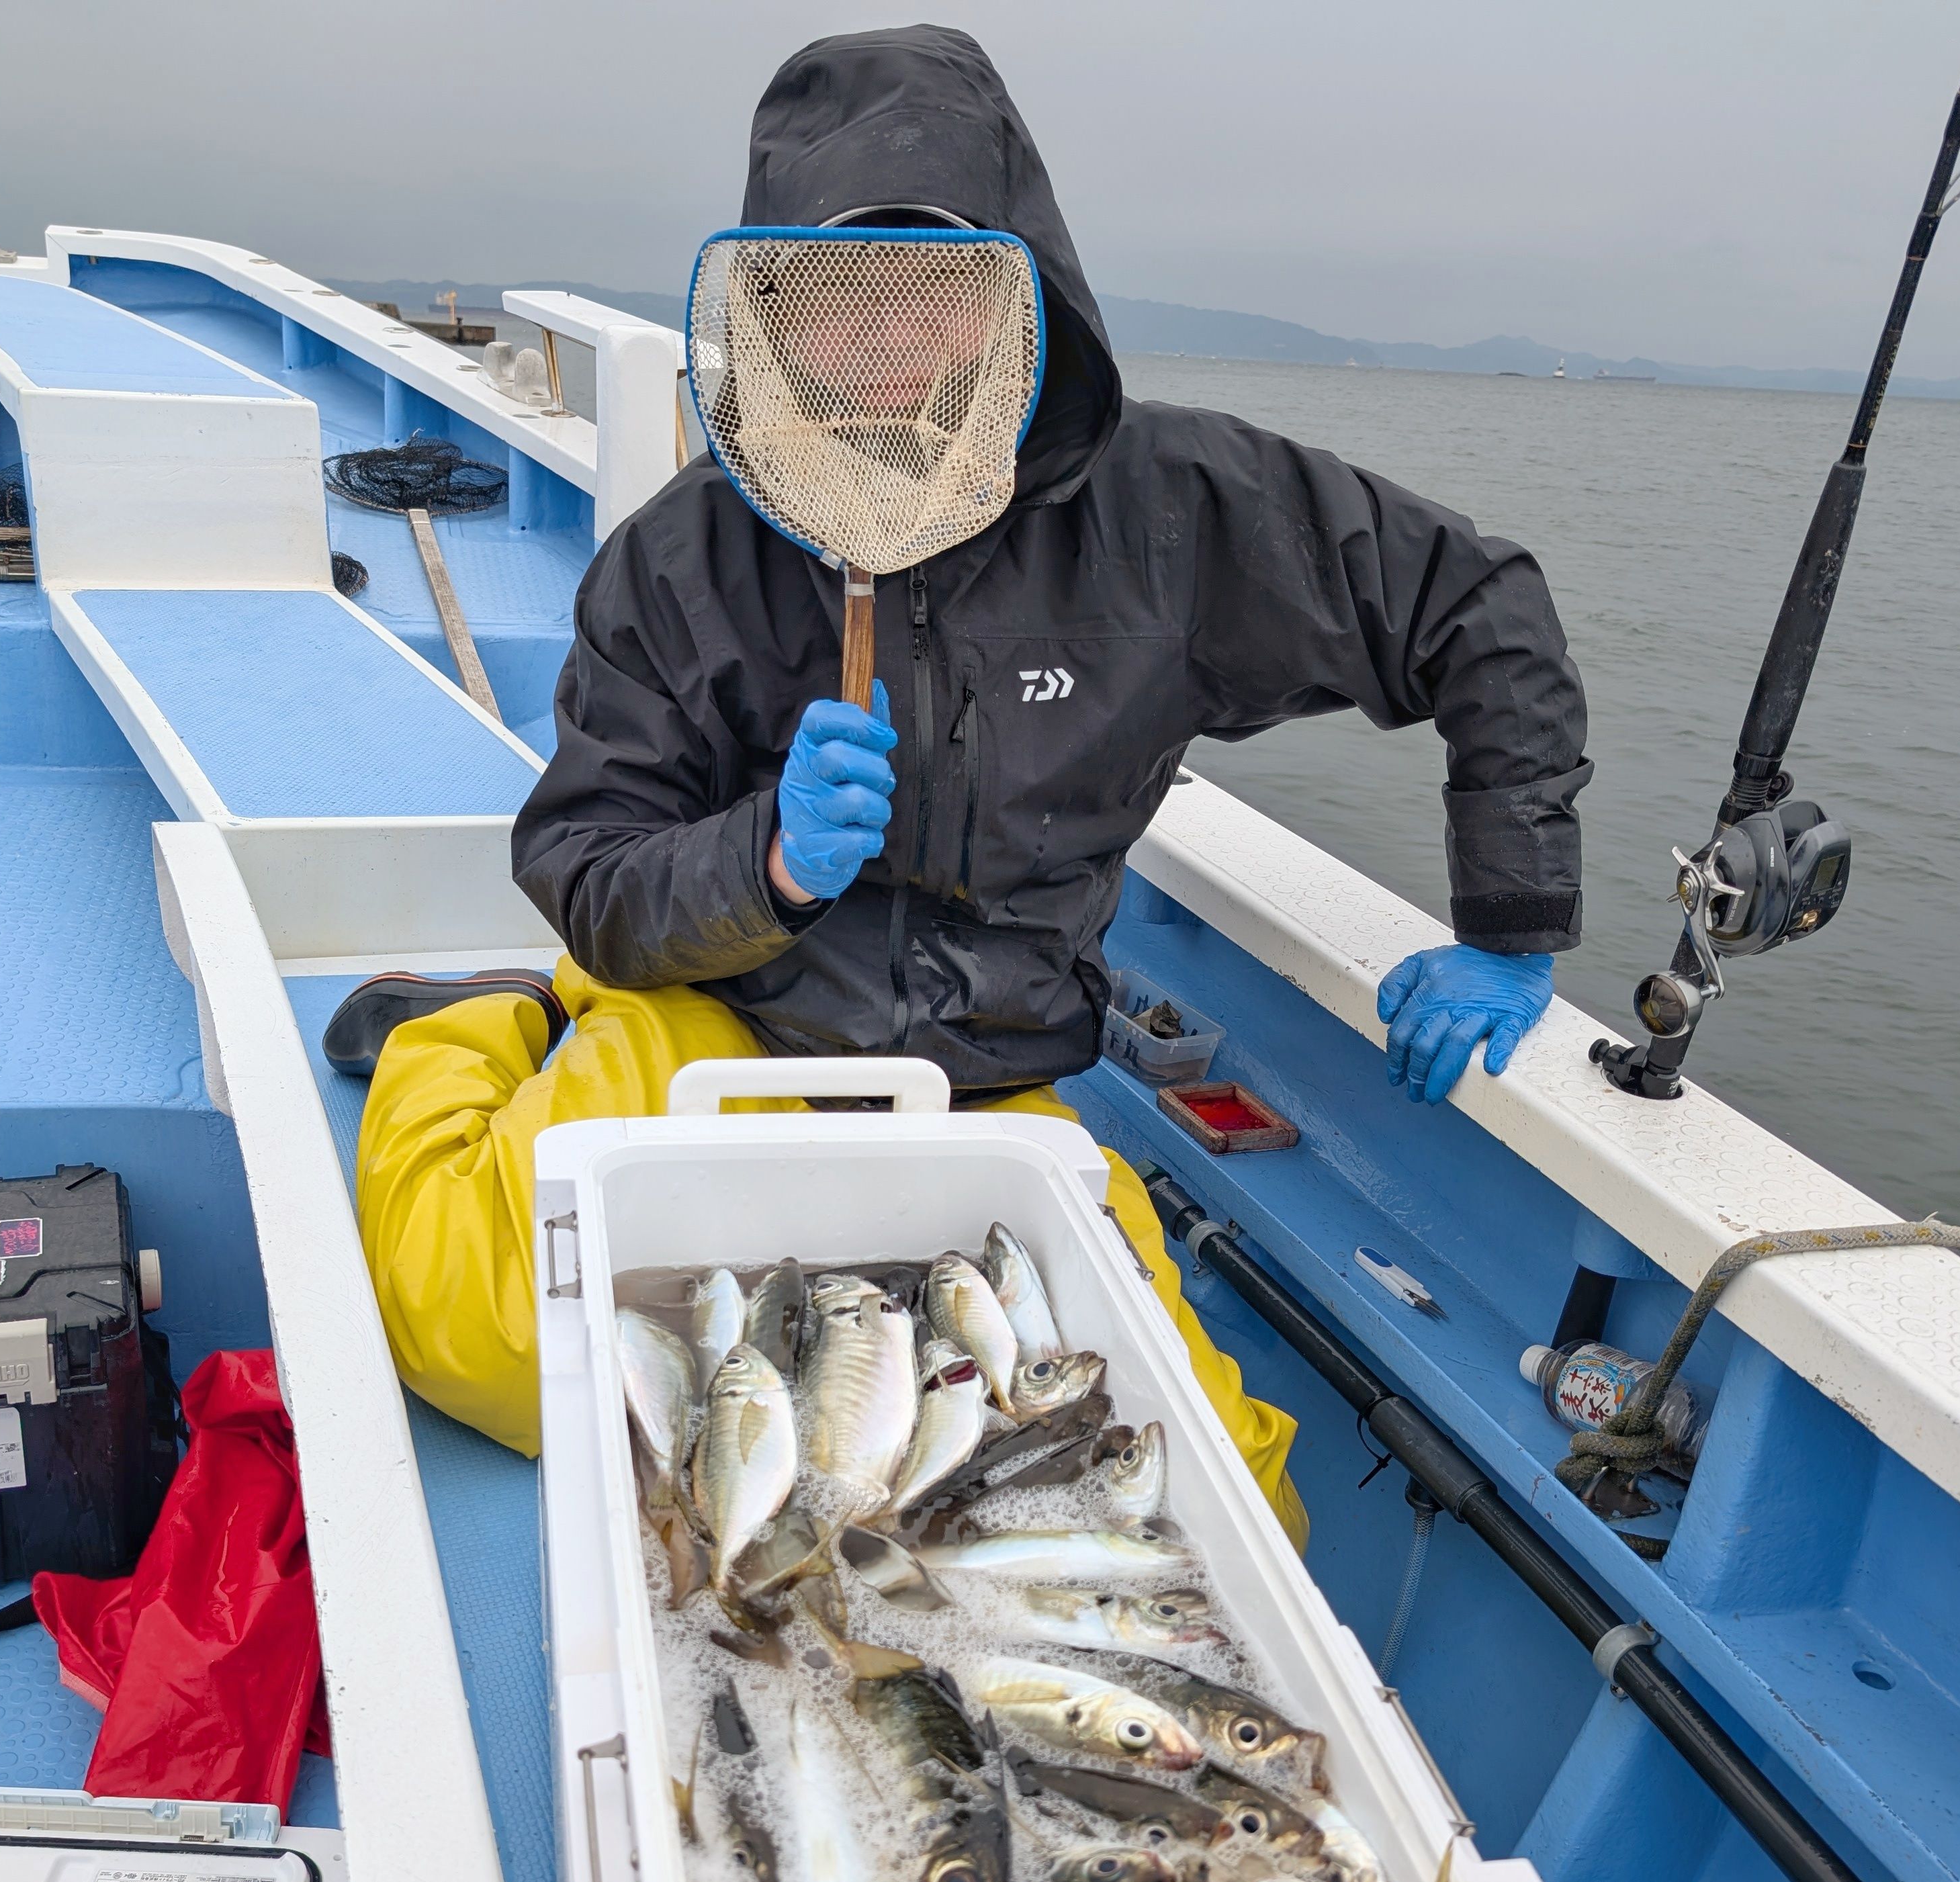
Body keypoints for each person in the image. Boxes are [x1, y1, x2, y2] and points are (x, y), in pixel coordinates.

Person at [328, 26, 1590, 1548]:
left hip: (994, 1079)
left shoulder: (1175, 515)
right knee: (485, 1346)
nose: (880, 343)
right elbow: (590, 871)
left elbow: (1475, 603)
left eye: (929, 294)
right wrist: (764, 865)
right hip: (719, 1018)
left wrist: (1510, 921)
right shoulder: (682, 559)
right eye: (832, 300)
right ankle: (478, 1036)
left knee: (1213, 1504)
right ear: (770, 319)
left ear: (1017, 303)